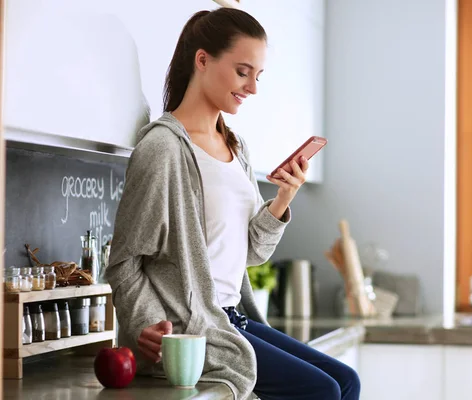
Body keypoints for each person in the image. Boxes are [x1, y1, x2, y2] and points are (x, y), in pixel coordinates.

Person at [105, 7, 361, 400]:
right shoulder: (163, 149)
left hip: (232, 317)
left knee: (347, 382)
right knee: (321, 391)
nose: (253, 88)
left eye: (258, 76)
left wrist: (284, 198)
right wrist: (146, 323)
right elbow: (124, 261)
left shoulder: (235, 147)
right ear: (203, 60)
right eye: (243, 72)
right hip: (193, 330)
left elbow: (253, 253)